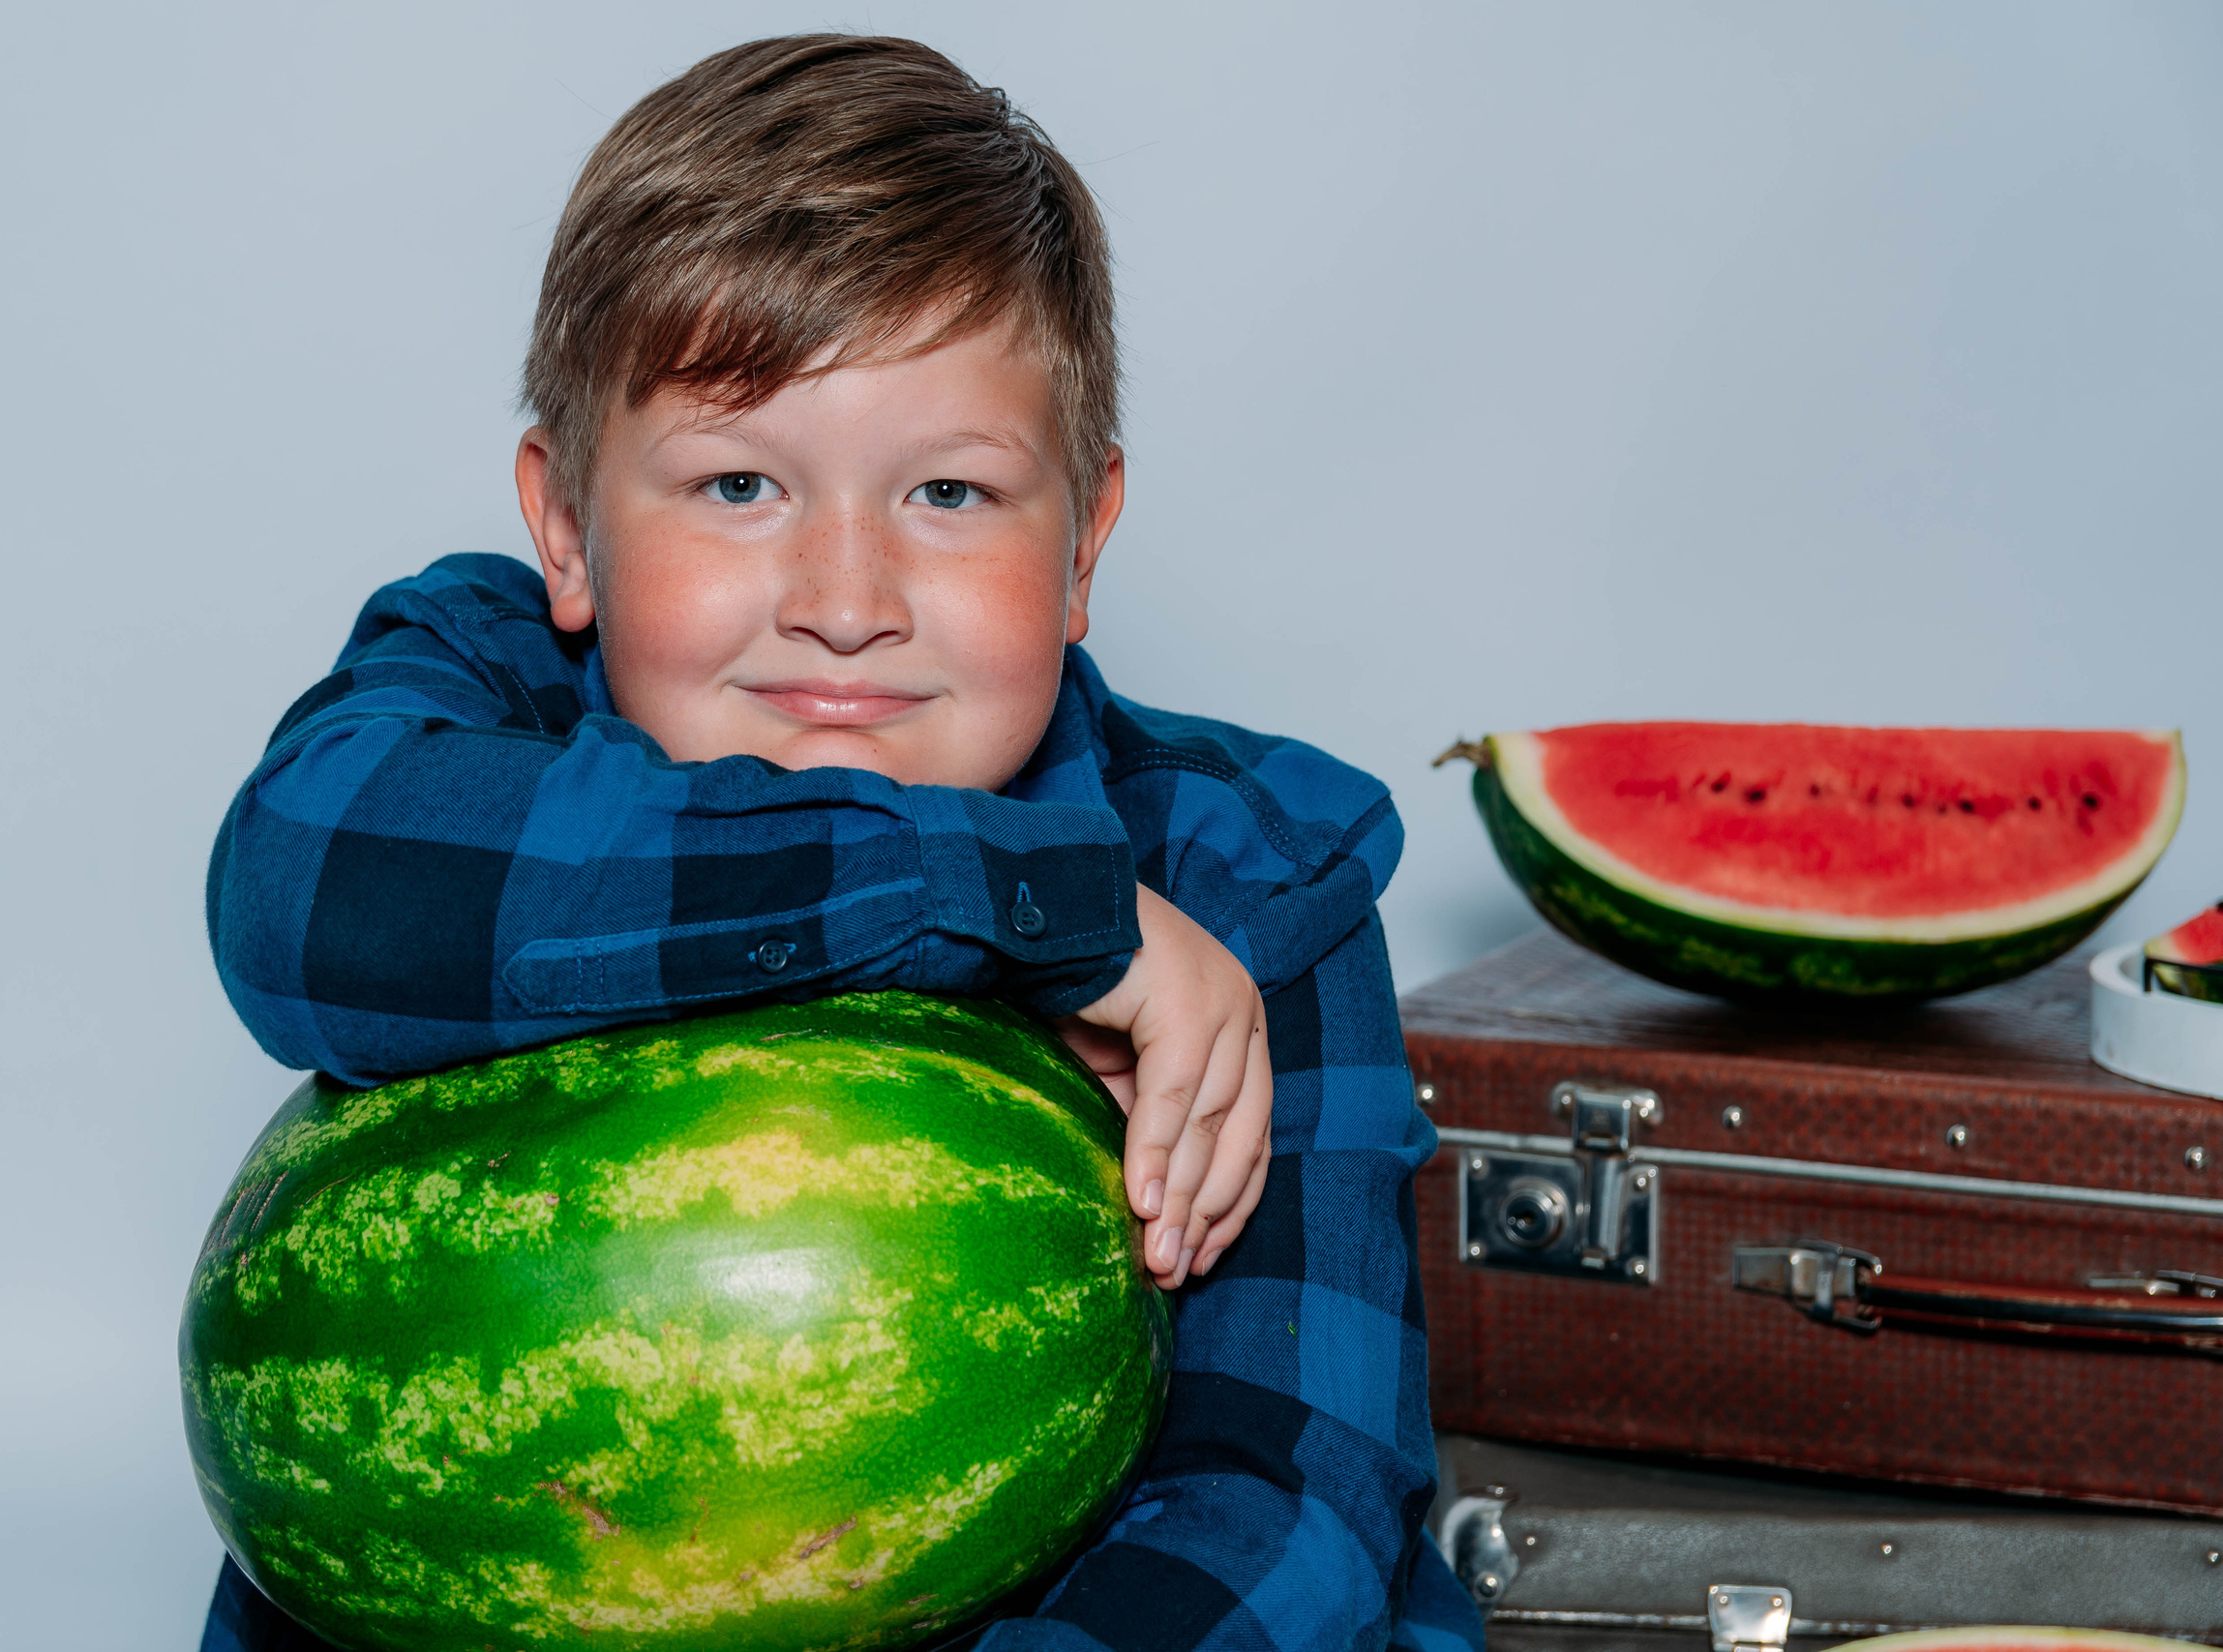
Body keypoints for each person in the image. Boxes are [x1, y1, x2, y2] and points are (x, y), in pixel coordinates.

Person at [199, 34, 1481, 1652]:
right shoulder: (482, 690)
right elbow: (300, 887)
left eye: (949, 494)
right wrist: (1015, 908)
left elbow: (1292, 1508)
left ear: (1083, 543)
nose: (848, 604)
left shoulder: (1247, 878)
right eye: (739, 483)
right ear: (564, 527)